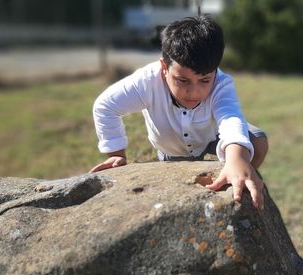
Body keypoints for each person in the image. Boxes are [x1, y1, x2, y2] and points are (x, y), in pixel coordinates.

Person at [90, 15, 269, 210]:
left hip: (211, 137)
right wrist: (117, 155)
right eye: (182, 81)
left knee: (257, 141)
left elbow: (230, 118)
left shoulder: (221, 82)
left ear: (215, 71)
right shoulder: (145, 82)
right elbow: (105, 106)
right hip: (172, 151)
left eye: (204, 80)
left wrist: (237, 159)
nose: (194, 92)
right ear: (164, 67)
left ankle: (235, 178)